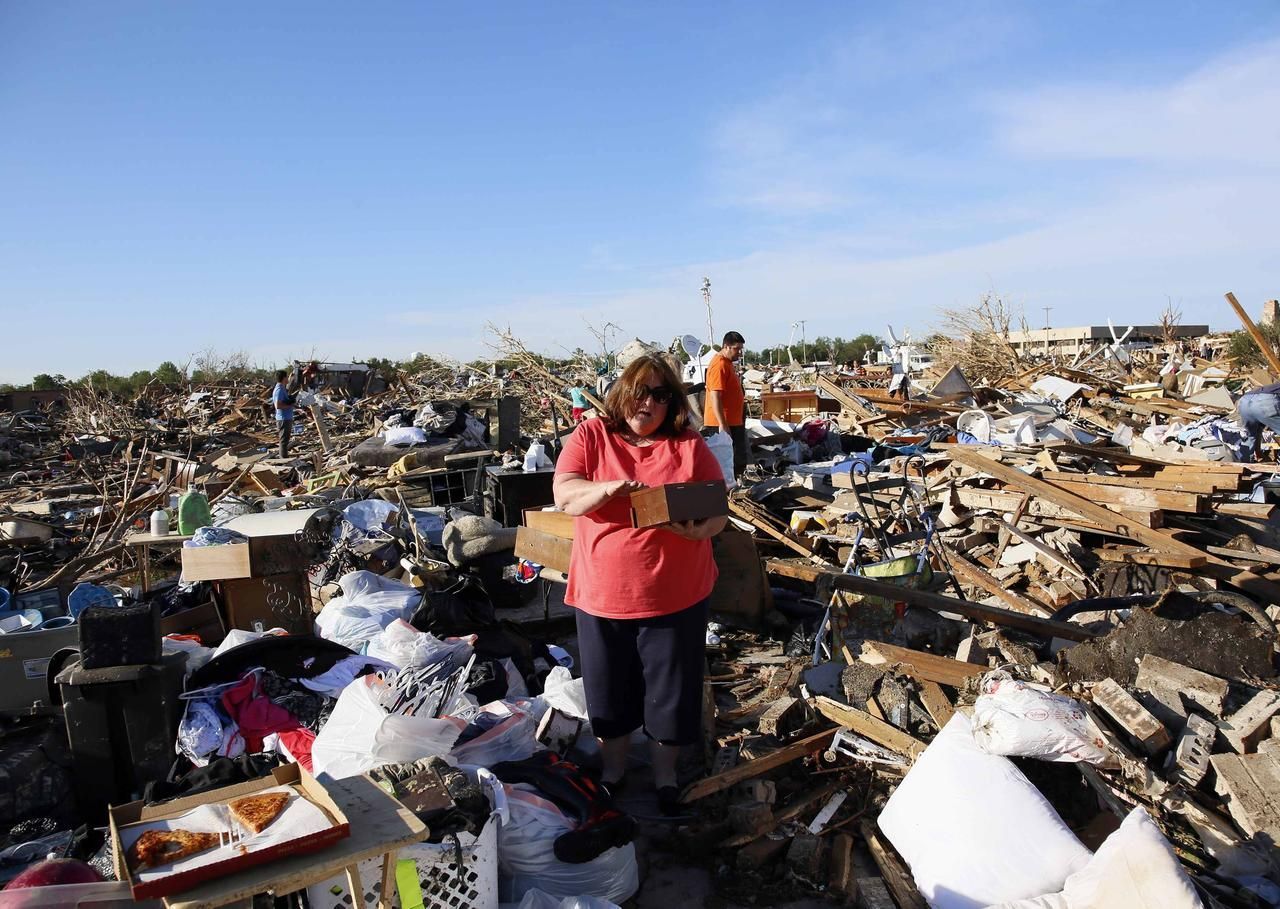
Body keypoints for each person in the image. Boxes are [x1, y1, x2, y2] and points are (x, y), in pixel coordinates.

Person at [553, 353, 727, 814]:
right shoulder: (592, 435)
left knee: (671, 690)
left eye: (659, 393)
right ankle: (613, 771)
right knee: (609, 688)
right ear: (621, 392)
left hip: (676, 593)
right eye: (639, 390)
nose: (646, 401)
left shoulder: (687, 444)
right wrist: (605, 490)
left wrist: (700, 529)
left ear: (672, 402)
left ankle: (665, 776)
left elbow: (717, 509)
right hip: (602, 594)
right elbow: (565, 493)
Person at [703, 331, 747, 476]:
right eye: (737, 349)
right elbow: (715, 395)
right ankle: (728, 490)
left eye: (741, 349)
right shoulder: (719, 365)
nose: (739, 353)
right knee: (726, 461)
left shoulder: (727, 364)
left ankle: (735, 485)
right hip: (722, 423)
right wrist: (722, 423)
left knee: (736, 459)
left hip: (732, 421)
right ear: (726, 346)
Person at [1237, 382, 1280, 462]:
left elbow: (1258, 430)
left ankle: (1245, 467)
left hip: (1245, 400)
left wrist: (1259, 453)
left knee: (1250, 435)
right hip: (1266, 400)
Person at [271, 370, 295, 458]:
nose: (288, 378)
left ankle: (284, 458)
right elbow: (278, 405)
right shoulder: (279, 390)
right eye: (287, 376)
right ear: (284, 378)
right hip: (283, 418)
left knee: (285, 441)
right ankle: (284, 460)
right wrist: (290, 404)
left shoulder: (283, 388)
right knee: (283, 442)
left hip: (286, 417)